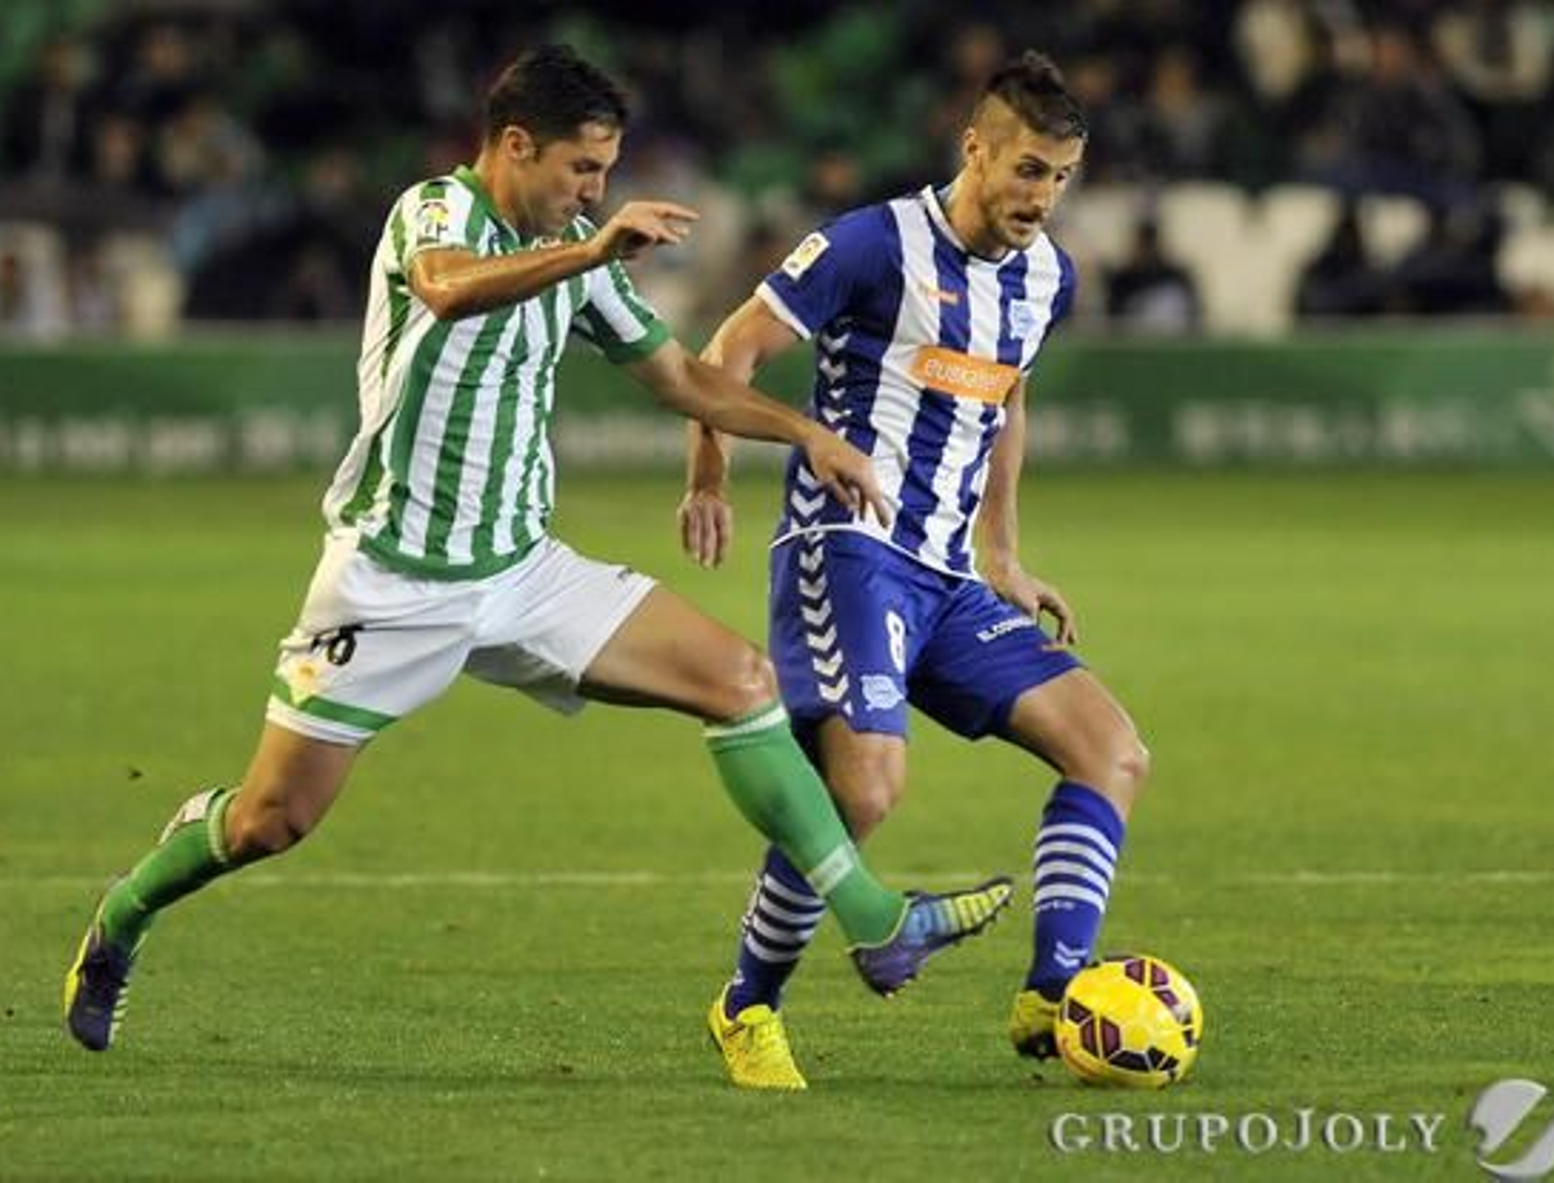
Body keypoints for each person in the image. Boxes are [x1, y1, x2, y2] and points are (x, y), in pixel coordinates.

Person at [63, 44, 1013, 1053]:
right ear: (516, 145)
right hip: (391, 581)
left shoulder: (577, 259)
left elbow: (685, 382)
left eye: (603, 174)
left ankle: (875, 921)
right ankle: (123, 915)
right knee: (268, 822)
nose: (594, 192)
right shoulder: (438, 212)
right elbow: (446, 290)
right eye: (580, 169)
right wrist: (593, 247)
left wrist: (808, 434)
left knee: (738, 679)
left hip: (522, 571)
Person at [680, 51, 1150, 1090]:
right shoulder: (870, 243)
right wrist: (708, 473)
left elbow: (1006, 400)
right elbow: (730, 349)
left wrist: (1004, 553)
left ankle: (1053, 990)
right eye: (1027, 170)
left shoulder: (1047, 278)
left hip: (947, 577)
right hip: (846, 548)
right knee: (864, 791)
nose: (1043, 197)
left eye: (1062, 177)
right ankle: (745, 1008)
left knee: (1110, 750)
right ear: (972, 148)